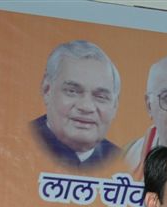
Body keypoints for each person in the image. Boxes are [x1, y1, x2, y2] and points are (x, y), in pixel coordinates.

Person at [31, 40, 121, 170]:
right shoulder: (20, 141)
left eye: (100, 97)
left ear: (115, 106)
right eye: (72, 91)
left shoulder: (124, 161)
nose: (86, 107)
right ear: (47, 90)